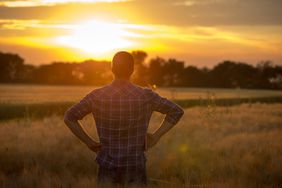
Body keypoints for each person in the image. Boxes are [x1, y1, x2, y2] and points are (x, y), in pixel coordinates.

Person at [64, 51, 184, 186]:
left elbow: (69, 117)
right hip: (135, 167)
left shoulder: (97, 96)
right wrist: (156, 136)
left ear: (112, 69)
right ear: (132, 70)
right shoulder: (146, 96)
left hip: (106, 167)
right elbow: (176, 111)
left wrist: (89, 142)